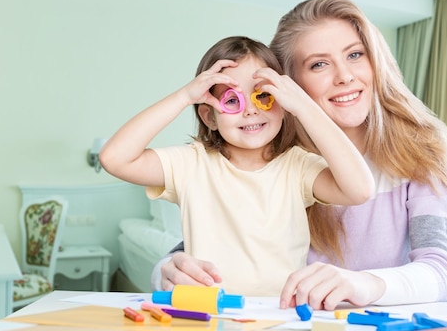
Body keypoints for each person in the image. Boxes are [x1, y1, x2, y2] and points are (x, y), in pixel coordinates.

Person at [151, 0, 447, 310]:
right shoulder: (282, 162)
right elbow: (218, 242)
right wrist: (167, 269)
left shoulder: (422, 155)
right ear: (288, 85)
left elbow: (439, 272)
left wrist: (363, 284)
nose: (345, 76)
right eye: (319, 64)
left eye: (355, 55)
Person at [100, 36, 374, 296]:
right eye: (232, 100)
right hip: (208, 311)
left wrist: (303, 106)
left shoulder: (297, 166)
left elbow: (360, 189)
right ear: (209, 117)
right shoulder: (191, 164)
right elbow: (114, 158)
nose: (251, 111)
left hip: (281, 311)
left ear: (282, 102)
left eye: (263, 96)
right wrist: (184, 96)